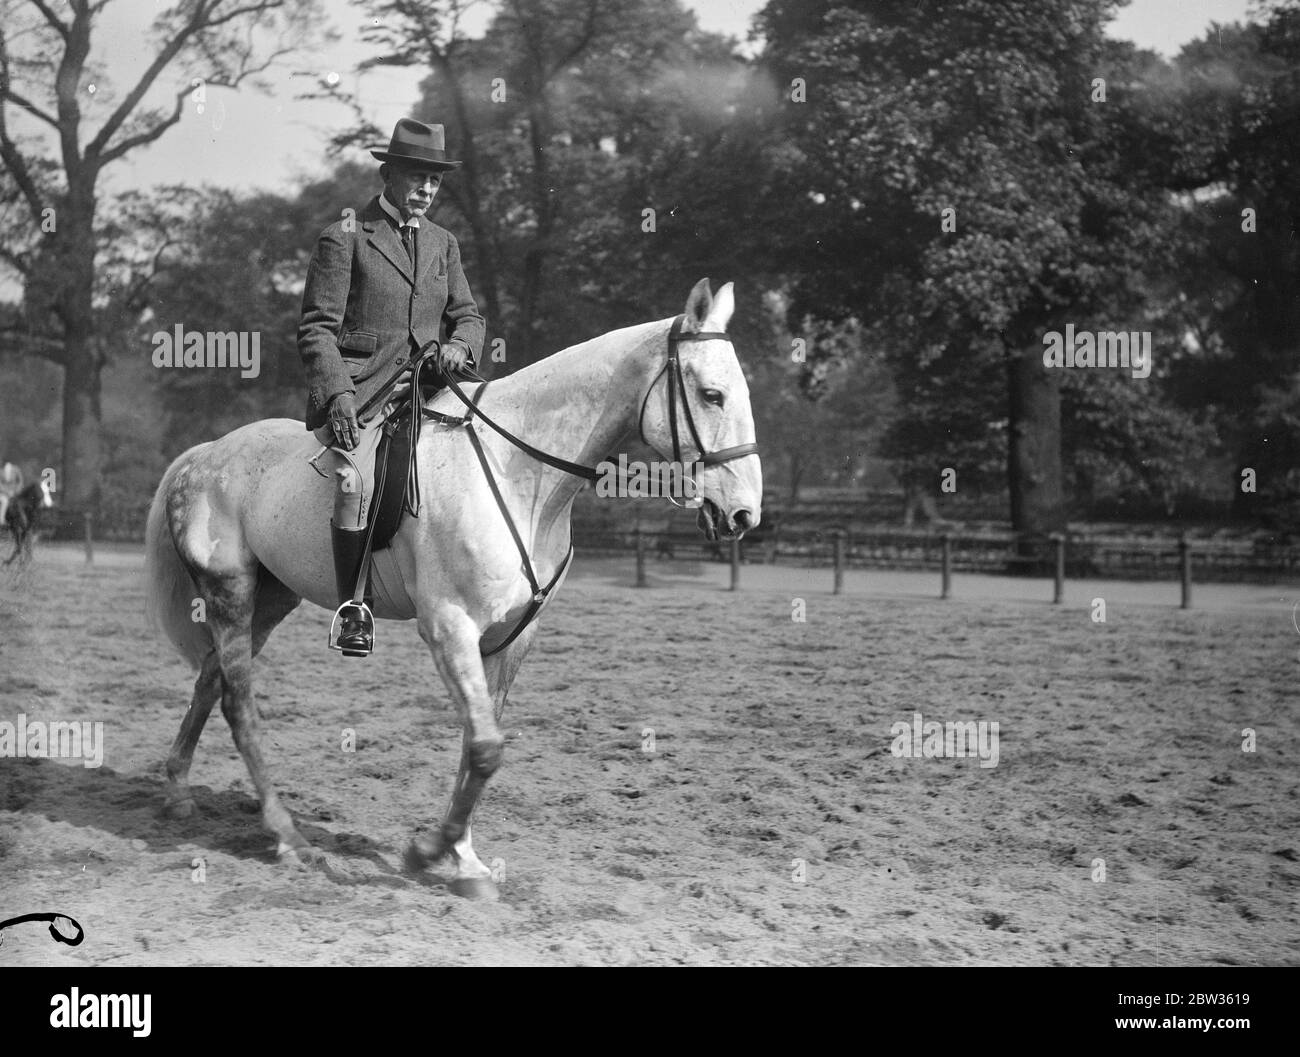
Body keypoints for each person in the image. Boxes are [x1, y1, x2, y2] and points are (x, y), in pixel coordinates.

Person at [299, 119, 485, 656]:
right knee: (354, 482)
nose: (427, 189)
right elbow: (316, 329)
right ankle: (353, 606)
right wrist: (337, 397)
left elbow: (468, 316)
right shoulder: (345, 237)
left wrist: (462, 346)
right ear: (389, 174)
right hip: (365, 390)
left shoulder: (444, 244)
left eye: (435, 180)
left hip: (433, 385)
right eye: (417, 177)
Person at [0, 462, 23, 531]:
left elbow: (20, 481)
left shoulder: (15, 471)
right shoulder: (1, 472)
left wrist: (16, 490)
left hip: (13, 493)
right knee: (4, 501)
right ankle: (1, 519)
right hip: (3, 494)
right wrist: (7, 492)